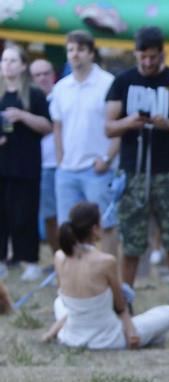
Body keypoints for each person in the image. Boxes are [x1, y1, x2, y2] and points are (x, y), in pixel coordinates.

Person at [105, 26, 169, 316]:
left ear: (162, 53)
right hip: (133, 173)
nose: (147, 63)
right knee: (132, 240)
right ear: (135, 53)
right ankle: (126, 300)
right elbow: (109, 127)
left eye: (152, 57)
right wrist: (129, 122)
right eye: (142, 57)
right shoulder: (123, 81)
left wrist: (168, 124)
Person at [40, 202, 169, 349]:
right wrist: (130, 330)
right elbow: (120, 306)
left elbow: (68, 301)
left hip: (71, 336)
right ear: (94, 229)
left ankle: (63, 328)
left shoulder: (59, 256)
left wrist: (53, 330)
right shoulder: (105, 261)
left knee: (59, 302)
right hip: (107, 338)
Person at [51, 30, 120, 256]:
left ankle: (108, 278)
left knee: (106, 224)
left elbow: (119, 127)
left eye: (80, 49)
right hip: (67, 171)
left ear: (91, 53)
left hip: (98, 168)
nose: (75, 55)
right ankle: (73, 282)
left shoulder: (109, 84)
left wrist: (108, 158)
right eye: (70, 50)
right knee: (67, 227)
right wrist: (60, 160)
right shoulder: (61, 87)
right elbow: (57, 126)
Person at [0, 44, 52, 281]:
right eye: (4, 60)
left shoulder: (34, 94)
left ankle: (29, 260)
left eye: (12, 61)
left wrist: (22, 116)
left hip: (26, 165)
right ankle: (2, 260)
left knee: (24, 214)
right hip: (2, 164)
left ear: (23, 65)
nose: (7, 65)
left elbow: (47, 126)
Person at [29, 58, 60, 255]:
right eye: (37, 75)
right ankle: (58, 258)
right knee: (49, 216)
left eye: (46, 73)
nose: (42, 78)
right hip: (38, 164)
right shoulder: (27, 98)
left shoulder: (63, 94)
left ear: (53, 74)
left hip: (65, 163)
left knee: (70, 216)